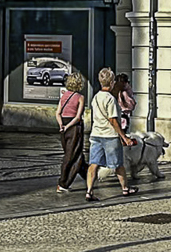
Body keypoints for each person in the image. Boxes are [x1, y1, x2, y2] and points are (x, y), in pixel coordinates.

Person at [84, 66, 137, 200]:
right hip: (110, 136)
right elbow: (113, 120)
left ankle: (89, 191)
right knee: (118, 165)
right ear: (112, 82)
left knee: (93, 164)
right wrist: (124, 137)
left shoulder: (96, 97)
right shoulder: (110, 99)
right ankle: (125, 188)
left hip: (96, 134)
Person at [55, 71, 88, 193]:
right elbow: (78, 117)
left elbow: (58, 113)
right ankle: (63, 183)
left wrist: (61, 125)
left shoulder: (64, 96)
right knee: (73, 155)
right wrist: (68, 126)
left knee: (73, 153)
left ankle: (89, 175)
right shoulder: (80, 97)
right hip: (74, 128)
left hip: (64, 126)